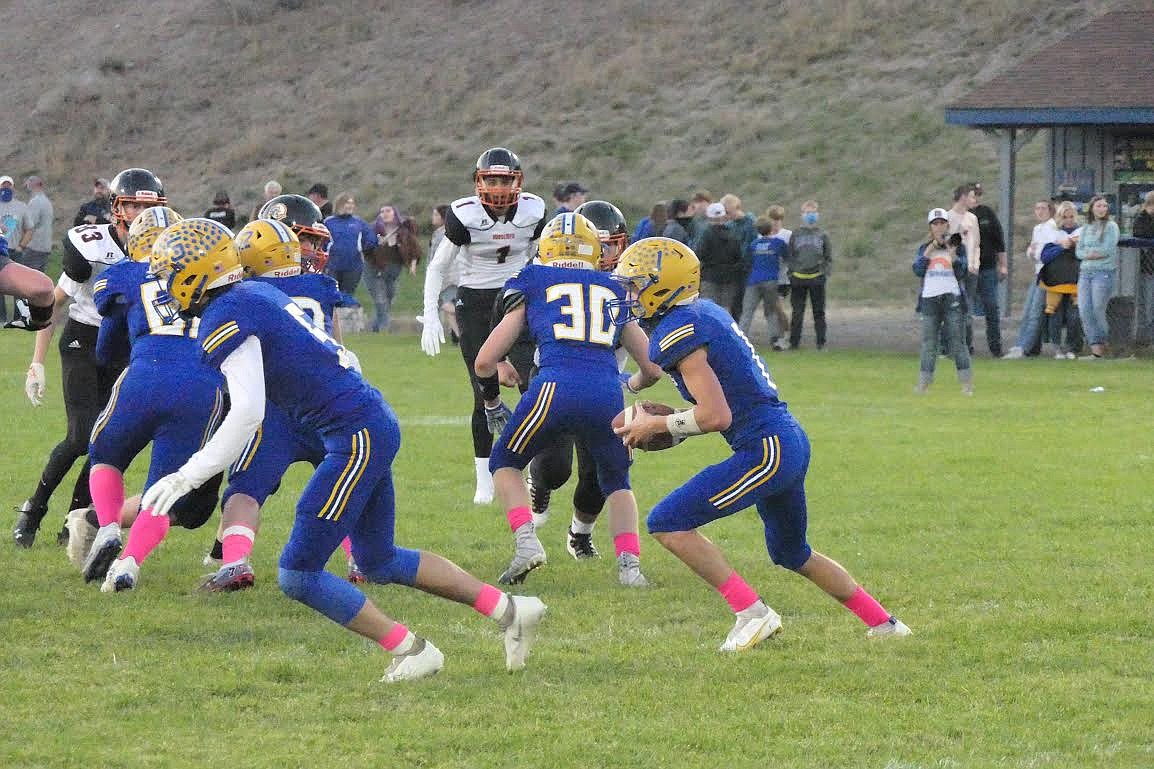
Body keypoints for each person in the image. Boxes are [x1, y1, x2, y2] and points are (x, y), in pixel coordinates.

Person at [141, 218, 546, 682]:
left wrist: (189, 473)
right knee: (378, 558)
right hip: (367, 421)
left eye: (170, 273)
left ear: (194, 274)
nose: (166, 285)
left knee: (298, 572)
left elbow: (249, 411)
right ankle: (511, 610)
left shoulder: (229, 313)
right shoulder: (254, 296)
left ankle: (411, 650)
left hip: (354, 433)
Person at [611, 237, 911, 651]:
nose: (629, 294)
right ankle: (885, 624)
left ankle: (753, 613)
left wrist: (662, 425)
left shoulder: (678, 330)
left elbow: (716, 416)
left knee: (668, 521)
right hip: (786, 439)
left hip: (766, 447)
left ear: (663, 285)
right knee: (792, 552)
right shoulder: (704, 312)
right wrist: (665, 422)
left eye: (636, 284)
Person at [475, 212, 662, 586]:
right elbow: (653, 367)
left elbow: (484, 361)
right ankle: (630, 569)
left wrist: (492, 402)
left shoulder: (532, 278)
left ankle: (527, 544)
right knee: (618, 482)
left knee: (505, 462)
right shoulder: (613, 287)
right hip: (606, 392)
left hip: (553, 387)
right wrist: (634, 384)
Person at [198, 218, 359, 591]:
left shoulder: (248, 295)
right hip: (326, 407)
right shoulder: (322, 285)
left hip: (275, 410)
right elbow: (338, 346)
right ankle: (358, 558)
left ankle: (235, 560)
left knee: (244, 490)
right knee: (345, 482)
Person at [12, 167, 161, 548]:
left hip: (127, 346)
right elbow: (51, 304)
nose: (141, 215)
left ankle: (75, 518)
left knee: (106, 442)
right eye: (133, 205)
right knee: (81, 437)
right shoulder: (92, 244)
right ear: (116, 207)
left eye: (148, 206)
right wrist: (37, 362)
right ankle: (35, 507)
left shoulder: (165, 248)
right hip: (82, 339)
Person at [81, 209, 226, 589]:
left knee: (105, 455)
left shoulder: (126, 275)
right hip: (203, 384)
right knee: (165, 489)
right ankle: (129, 563)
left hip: (146, 373)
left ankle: (109, 526)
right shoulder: (214, 275)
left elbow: (105, 347)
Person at [521, 201, 649, 575]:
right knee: (555, 469)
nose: (606, 255)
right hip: (554, 380)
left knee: (601, 473)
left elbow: (649, 347)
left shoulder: (628, 284)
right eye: (600, 245)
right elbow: (516, 326)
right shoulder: (544, 276)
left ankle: (579, 535)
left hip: (605, 385)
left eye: (613, 246)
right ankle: (539, 481)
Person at [419, 147, 547, 505]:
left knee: (530, 387)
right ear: (478, 182)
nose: (497, 187)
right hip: (475, 301)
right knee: (483, 392)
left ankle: (530, 470)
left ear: (517, 182)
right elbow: (437, 267)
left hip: (517, 297)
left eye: (504, 179)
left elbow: (542, 257)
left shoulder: (533, 211)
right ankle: (484, 480)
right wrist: (431, 314)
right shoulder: (465, 215)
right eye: (491, 179)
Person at [913, 209, 972, 394]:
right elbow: (918, 270)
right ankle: (923, 384)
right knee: (929, 343)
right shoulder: (925, 248)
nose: (939, 227)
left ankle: (966, 384)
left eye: (942, 223)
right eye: (935, 224)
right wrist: (929, 252)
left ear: (947, 225)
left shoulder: (956, 245)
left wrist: (952, 254)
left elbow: (963, 272)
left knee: (957, 341)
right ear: (930, 227)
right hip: (930, 298)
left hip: (951, 296)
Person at [1004, 201, 1058, 359]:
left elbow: (1047, 252)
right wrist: (1032, 252)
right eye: (1037, 208)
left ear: (1050, 211)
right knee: (1027, 310)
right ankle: (1021, 344)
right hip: (1038, 272)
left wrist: (1035, 252)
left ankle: (1025, 347)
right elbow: (1031, 251)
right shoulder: (1037, 229)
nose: (1040, 211)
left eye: (1043, 208)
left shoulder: (1052, 228)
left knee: (1035, 312)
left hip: (1048, 274)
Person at [0, 174, 52, 328]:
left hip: (11, 251)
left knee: (29, 288)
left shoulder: (21, 206)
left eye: (8, 185)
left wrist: (21, 246)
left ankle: (22, 316)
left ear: (13, 187)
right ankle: (1, 318)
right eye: (3, 185)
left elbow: (29, 229)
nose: (6, 188)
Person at [1075, 194, 1119, 358]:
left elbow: (1107, 249)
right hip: (1085, 272)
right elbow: (1079, 251)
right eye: (1098, 206)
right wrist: (1089, 254)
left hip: (1103, 273)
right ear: (1092, 208)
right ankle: (1096, 350)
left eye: (1104, 206)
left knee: (1097, 309)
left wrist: (1093, 254)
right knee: (1084, 309)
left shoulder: (1111, 226)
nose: (1102, 209)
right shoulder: (1086, 227)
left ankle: (1104, 343)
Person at [785, 200, 832, 350]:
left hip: (816, 278)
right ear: (802, 215)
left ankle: (821, 342)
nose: (810, 216)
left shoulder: (822, 235)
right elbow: (790, 255)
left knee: (819, 312)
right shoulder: (796, 234)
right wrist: (791, 273)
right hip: (798, 279)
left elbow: (828, 257)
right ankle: (794, 343)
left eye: (812, 213)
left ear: (817, 215)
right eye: (807, 213)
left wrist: (824, 273)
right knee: (797, 313)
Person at [1038, 201, 1083, 359]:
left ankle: (1072, 347)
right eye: (1065, 217)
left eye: (1071, 216)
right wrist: (1061, 247)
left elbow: (1084, 253)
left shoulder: (1082, 232)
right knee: (1055, 314)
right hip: (1055, 280)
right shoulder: (1053, 233)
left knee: (1073, 316)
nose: (1068, 220)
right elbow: (1044, 256)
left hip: (1075, 280)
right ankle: (1056, 348)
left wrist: (1074, 244)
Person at [365, 205, 420, 332]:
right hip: (374, 269)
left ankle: (375, 327)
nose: (385, 213)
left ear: (395, 213)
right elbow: (365, 248)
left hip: (394, 270)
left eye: (388, 211)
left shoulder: (403, 231)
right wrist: (376, 243)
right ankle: (384, 328)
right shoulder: (374, 229)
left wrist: (412, 266)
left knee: (389, 297)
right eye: (382, 211)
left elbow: (414, 249)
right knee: (380, 299)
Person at [738, 216, 790, 349]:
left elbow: (747, 261)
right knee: (771, 311)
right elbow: (787, 257)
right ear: (772, 229)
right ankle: (775, 340)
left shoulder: (754, 244)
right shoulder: (778, 243)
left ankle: (740, 339)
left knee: (747, 312)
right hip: (770, 281)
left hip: (753, 281)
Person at [967, 183, 1006, 357]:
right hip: (967, 269)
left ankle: (995, 347)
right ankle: (965, 346)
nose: (975, 198)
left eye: (977, 195)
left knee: (991, 306)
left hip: (988, 267)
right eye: (971, 195)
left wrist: (1003, 265)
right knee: (965, 308)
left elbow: (999, 241)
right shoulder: (960, 216)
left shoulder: (987, 214)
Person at [946, 184, 981, 354]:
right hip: (952, 269)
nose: (974, 200)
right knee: (951, 307)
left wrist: (975, 264)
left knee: (968, 308)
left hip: (970, 269)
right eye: (972, 196)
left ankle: (966, 345)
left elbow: (976, 244)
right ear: (963, 197)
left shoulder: (972, 219)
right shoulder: (947, 218)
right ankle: (948, 345)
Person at [695, 202, 746, 316]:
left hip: (710, 277)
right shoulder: (734, 234)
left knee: (708, 309)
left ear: (709, 217)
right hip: (729, 278)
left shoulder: (706, 234)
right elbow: (739, 257)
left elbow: (699, 254)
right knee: (725, 310)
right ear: (724, 216)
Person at [323, 192, 378, 295]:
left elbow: (371, 238)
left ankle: (346, 311)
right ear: (339, 204)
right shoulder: (328, 222)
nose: (350, 206)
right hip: (332, 266)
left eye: (352, 203)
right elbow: (321, 242)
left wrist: (364, 248)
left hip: (353, 266)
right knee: (332, 294)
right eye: (347, 203)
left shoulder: (358, 222)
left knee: (347, 295)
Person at [429, 204, 460, 344]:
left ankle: (462, 334)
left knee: (446, 304)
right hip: (449, 274)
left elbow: (439, 257)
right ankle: (458, 336)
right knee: (447, 306)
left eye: (436, 214)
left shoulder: (443, 234)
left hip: (447, 275)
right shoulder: (440, 232)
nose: (433, 217)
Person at [19, 176, 54, 275]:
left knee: (26, 277)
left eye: (28, 182)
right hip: (44, 246)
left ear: (33, 184)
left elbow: (29, 225)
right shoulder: (46, 201)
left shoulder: (36, 202)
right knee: (38, 278)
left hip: (34, 246)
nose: (26, 186)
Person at [1132, 191, 1154, 345]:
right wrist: (1148, 213)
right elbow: (1139, 233)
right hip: (1149, 269)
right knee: (1147, 306)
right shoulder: (1142, 218)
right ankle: (1147, 339)